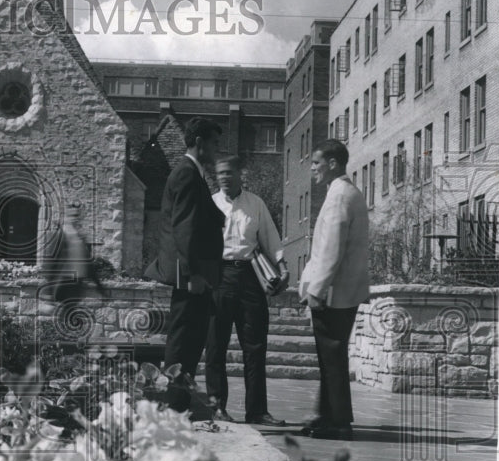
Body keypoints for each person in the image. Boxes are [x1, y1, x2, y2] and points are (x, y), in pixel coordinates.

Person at [145, 117, 224, 415]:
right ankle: (174, 404)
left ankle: (180, 401)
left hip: (195, 273)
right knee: (182, 340)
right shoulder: (187, 174)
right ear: (200, 142)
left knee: (191, 339)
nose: (217, 150)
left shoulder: (194, 173)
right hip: (190, 274)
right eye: (214, 143)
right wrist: (194, 275)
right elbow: (184, 229)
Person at [203, 156, 289, 425]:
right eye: (220, 174)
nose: (224, 178)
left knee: (255, 346)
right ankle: (217, 406)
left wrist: (283, 268)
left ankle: (257, 411)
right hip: (219, 276)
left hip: (250, 276)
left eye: (229, 173)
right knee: (216, 345)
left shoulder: (256, 204)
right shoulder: (210, 204)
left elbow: (270, 237)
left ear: (241, 174)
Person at [298, 139, 370, 441]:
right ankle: (328, 416)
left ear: (332, 164)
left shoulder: (340, 196)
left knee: (332, 356)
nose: (312, 169)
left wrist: (317, 288)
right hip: (340, 291)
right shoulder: (343, 192)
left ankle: (339, 422)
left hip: (334, 293)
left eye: (316, 163)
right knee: (331, 356)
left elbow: (331, 249)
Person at [41, 202, 105, 309]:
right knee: (66, 317)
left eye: (77, 216)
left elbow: (88, 264)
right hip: (63, 283)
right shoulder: (59, 236)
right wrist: (48, 291)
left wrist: (100, 287)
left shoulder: (81, 237)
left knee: (70, 317)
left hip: (77, 284)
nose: (75, 219)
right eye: (73, 216)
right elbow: (49, 263)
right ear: (66, 217)